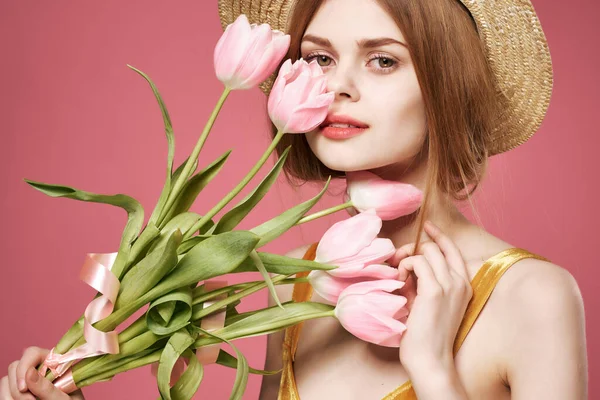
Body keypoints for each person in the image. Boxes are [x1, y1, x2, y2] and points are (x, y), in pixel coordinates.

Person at [1, 0, 587, 399]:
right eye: (320, 57)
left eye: (384, 59)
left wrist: (434, 372)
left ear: (447, 86)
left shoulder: (533, 298)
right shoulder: (293, 289)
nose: (336, 87)